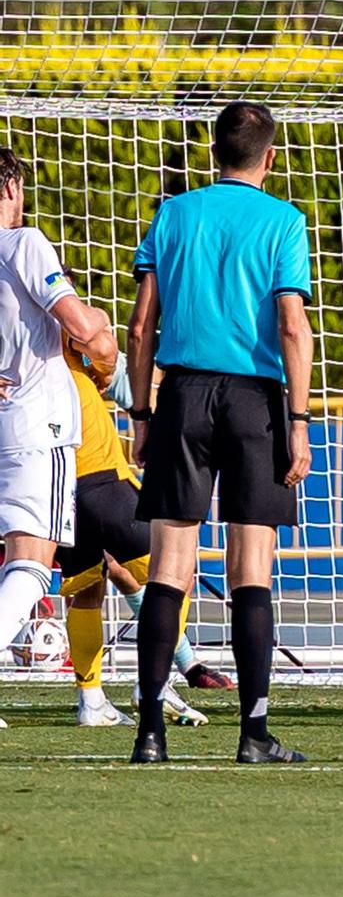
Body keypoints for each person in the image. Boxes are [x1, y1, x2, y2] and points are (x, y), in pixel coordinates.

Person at [127, 102, 315, 765]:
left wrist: (143, 415)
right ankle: (253, 733)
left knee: (170, 566)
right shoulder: (285, 221)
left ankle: (150, 731)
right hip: (255, 401)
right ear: (270, 157)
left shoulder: (175, 213)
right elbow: (292, 325)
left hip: (181, 393)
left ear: (213, 154)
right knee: (250, 571)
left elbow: (140, 324)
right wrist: (298, 422)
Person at [0, 149, 119, 722]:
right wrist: (100, 324)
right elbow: (81, 327)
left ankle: (98, 695)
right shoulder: (25, 243)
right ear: (12, 186)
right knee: (31, 561)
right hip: (34, 425)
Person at [58, 309, 215, 729]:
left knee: (86, 592)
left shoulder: (19, 359)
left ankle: (90, 698)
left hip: (54, 488)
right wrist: (101, 354)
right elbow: (103, 339)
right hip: (102, 479)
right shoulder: (70, 351)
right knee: (174, 573)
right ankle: (154, 686)